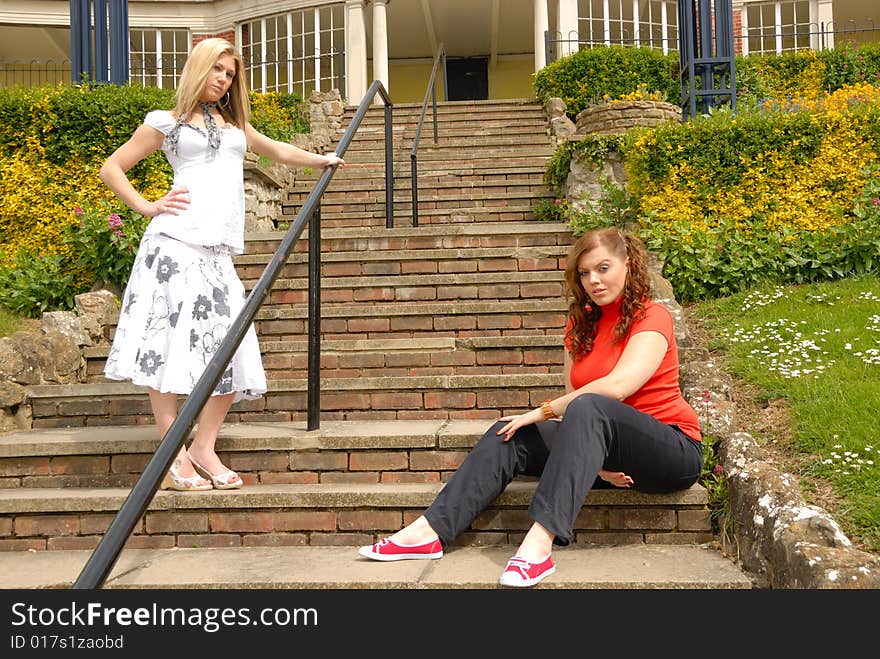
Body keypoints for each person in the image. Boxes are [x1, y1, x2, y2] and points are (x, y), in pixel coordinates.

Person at [358, 227, 703, 587]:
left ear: (628, 263)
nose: (593, 281)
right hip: (608, 458)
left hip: (670, 450)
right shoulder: (580, 324)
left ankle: (538, 546)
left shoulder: (652, 316)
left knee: (586, 407)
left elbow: (617, 388)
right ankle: (428, 532)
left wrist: (540, 412)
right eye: (584, 273)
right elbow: (576, 408)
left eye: (603, 268)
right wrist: (597, 466)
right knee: (510, 432)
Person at [99, 38, 344, 492]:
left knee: (232, 350)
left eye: (230, 74)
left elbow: (276, 150)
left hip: (217, 254)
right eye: (217, 70)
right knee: (165, 347)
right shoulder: (166, 123)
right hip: (173, 246)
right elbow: (112, 167)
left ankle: (203, 447)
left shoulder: (235, 125)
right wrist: (147, 205)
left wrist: (322, 159)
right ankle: (172, 453)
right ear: (199, 68)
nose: (223, 79)